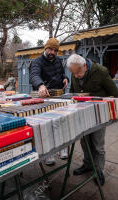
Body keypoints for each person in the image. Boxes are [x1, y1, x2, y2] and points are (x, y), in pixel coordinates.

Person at [67, 54, 118, 186]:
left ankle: (99, 169)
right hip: (82, 113)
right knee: (85, 141)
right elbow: (72, 92)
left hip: (99, 114)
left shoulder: (100, 71)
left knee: (97, 144)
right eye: (73, 73)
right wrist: (74, 96)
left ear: (84, 66)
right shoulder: (75, 72)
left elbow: (114, 95)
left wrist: (92, 97)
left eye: (78, 72)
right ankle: (87, 164)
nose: (76, 75)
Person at [30, 38, 69, 166]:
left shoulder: (58, 60)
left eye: (55, 50)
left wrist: (65, 78)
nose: (52, 52)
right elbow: (34, 76)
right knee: (47, 125)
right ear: (45, 48)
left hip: (58, 95)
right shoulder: (37, 61)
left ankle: (61, 148)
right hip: (44, 97)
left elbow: (62, 73)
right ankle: (48, 154)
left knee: (60, 122)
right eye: (50, 49)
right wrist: (40, 85)